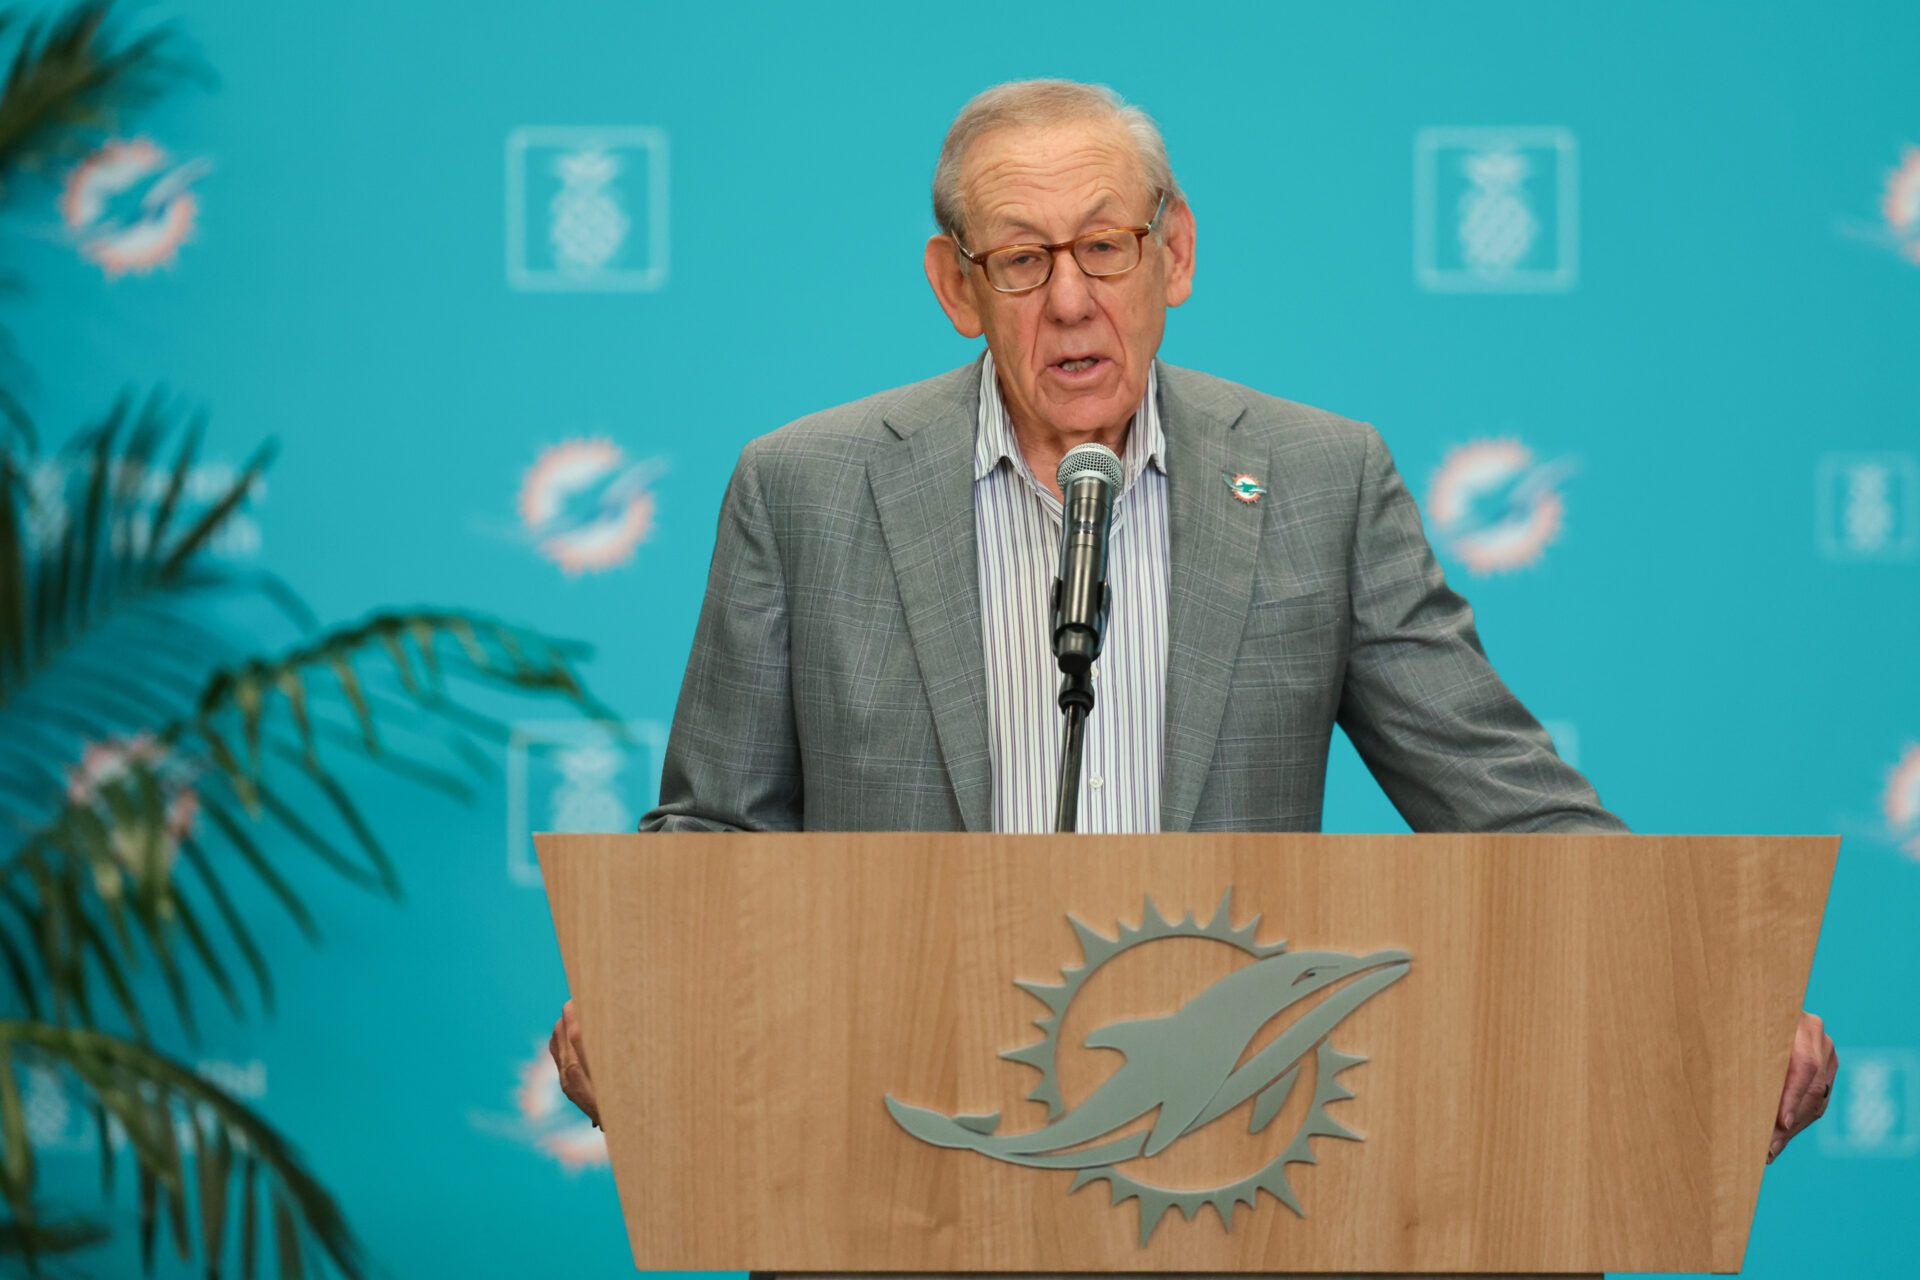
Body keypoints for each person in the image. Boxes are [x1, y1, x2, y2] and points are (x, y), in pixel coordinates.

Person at [550, 79, 1834, 1164]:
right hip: (897, 1147)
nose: (1070, 299)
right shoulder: (806, 489)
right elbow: (716, 827)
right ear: (956, 285)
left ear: (1175, 254)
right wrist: (634, 986)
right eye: (1022, 259)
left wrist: (1706, 987)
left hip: (1221, 1157)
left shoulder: (1321, 481)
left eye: (1106, 246)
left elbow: (1503, 797)